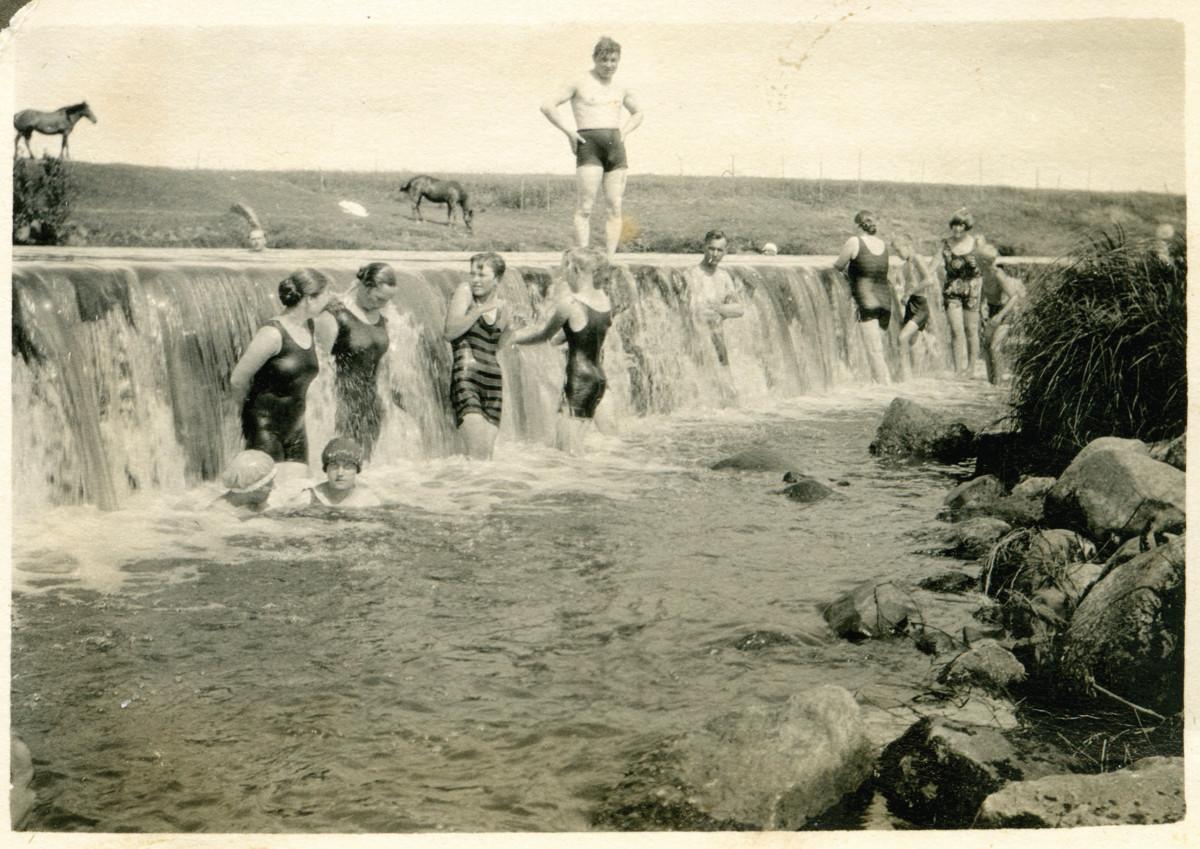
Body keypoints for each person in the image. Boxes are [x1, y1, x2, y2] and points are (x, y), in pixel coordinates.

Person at [541, 35, 643, 258]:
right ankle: (583, 257)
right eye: (604, 60)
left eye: (613, 60)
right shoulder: (579, 81)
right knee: (585, 207)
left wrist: (624, 132)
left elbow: (638, 112)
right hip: (589, 146)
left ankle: (609, 259)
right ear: (595, 59)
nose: (609, 65)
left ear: (618, 61)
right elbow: (547, 106)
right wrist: (569, 132)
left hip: (615, 146)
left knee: (615, 206)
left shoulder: (621, 86)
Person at [511, 247, 613, 454]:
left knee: (567, 453)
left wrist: (510, 339)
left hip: (578, 381)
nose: (562, 274)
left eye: (564, 269)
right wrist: (560, 340)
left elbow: (542, 335)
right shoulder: (603, 299)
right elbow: (581, 332)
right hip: (599, 380)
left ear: (574, 270)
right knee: (603, 442)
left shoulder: (569, 304)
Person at [230, 269, 331, 463]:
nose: (328, 300)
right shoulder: (272, 334)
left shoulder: (308, 326)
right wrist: (249, 417)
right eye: (326, 294)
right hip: (265, 428)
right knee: (270, 490)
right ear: (310, 299)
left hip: (296, 427)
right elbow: (237, 380)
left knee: (298, 488)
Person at [314, 261, 398, 460]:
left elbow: (379, 364)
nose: (383, 305)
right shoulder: (334, 314)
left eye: (387, 301)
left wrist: (384, 399)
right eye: (379, 298)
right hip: (341, 403)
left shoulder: (381, 318)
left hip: (370, 404)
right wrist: (322, 408)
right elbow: (318, 365)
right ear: (365, 286)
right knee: (340, 463)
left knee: (363, 467)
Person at [444, 252, 513, 460]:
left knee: (487, 457)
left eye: (482, 275)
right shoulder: (465, 293)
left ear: (497, 279)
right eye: (472, 274)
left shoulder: (502, 306)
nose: (475, 280)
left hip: (493, 381)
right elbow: (449, 332)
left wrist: (510, 329)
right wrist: (479, 310)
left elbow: (497, 346)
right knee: (476, 454)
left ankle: (482, 493)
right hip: (466, 378)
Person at [833, 210, 892, 384]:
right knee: (878, 350)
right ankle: (882, 384)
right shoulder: (882, 244)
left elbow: (838, 265)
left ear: (858, 225)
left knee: (874, 351)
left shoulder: (854, 241)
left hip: (867, 301)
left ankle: (884, 390)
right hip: (885, 302)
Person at [684, 229, 744, 366]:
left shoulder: (724, 277)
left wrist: (717, 308)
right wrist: (723, 310)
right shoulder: (691, 274)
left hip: (718, 341)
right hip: (696, 341)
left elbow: (740, 310)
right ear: (704, 247)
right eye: (711, 249)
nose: (715, 254)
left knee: (726, 382)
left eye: (719, 250)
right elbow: (693, 311)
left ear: (725, 252)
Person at [940, 208, 984, 376]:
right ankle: (958, 370)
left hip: (973, 289)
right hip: (952, 289)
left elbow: (987, 263)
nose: (957, 229)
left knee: (971, 330)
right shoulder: (945, 243)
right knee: (956, 330)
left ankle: (971, 368)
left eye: (962, 226)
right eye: (955, 225)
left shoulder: (975, 243)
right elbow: (933, 265)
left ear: (967, 227)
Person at [890, 234, 938, 381]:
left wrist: (910, 292)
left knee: (902, 338)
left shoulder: (917, 258)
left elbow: (929, 280)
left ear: (908, 246)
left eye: (899, 251)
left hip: (921, 305)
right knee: (913, 343)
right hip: (912, 305)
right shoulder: (905, 264)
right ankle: (918, 377)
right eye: (896, 252)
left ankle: (906, 376)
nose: (898, 255)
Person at [977, 244, 1027, 385]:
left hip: (1005, 311)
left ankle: (999, 383)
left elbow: (1014, 297)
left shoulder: (998, 274)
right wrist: (981, 311)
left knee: (994, 347)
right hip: (992, 310)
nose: (975, 262)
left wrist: (999, 316)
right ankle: (991, 381)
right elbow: (982, 294)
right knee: (986, 347)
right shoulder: (983, 273)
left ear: (985, 261)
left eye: (978, 259)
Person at [302, 436, 381, 507]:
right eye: (334, 466)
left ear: (357, 470)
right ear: (326, 469)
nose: (340, 473)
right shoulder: (306, 499)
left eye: (347, 467)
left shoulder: (368, 501)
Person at [211, 449, 277, 517]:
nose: (274, 487)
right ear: (255, 488)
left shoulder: (244, 505)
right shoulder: (219, 515)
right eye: (269, 484)